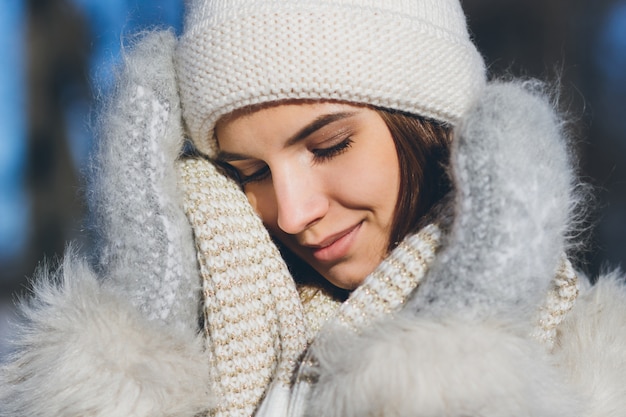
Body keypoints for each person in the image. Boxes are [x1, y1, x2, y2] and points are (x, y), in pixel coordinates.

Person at [2, 0, 625, 416]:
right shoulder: (205, 335)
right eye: (247, 173)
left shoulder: (595, 368)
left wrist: (451, 370)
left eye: (330, 146)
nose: (293, 213)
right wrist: (131, 358)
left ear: (433, 128)